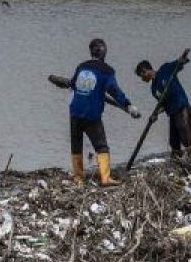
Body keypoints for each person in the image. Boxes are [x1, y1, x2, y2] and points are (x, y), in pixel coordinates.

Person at [49, 38, 141, 187]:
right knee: (101, 146)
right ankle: (105, 178)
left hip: (75, 111)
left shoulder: (81, 66)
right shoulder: (107, 71)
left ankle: (78, 178)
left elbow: (72, 84)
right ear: (104, 53)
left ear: (91, 52)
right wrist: (129, 106)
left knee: (76, 144)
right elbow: (115, 91)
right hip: (91, 114)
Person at [135, 54, 191, 160]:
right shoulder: (154, 89)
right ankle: (177, 161)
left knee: (185, 135)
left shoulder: (165, 69)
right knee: (173, 141)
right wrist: (155, 114)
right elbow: (163, 105)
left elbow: (180, 63)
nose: (142, 79)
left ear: (146, 71)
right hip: (172, 113)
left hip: (182, 108)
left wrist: (182, 61)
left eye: (141, 75)